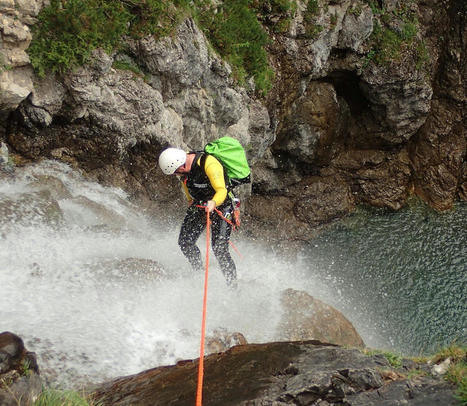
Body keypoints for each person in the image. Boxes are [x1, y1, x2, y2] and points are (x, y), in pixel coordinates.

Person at [158, 147, 237, 286]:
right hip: (200, 205)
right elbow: (186, 183)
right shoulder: (183, 169)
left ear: (181, 166)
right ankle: (199, 272)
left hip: (222, 205)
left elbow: (221, 190)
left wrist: (213, 203)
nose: (176, 175)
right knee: (185, 242)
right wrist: (190, 200)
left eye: (176, 172)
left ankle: (232, 285)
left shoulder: (208, 163)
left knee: (219, 248)